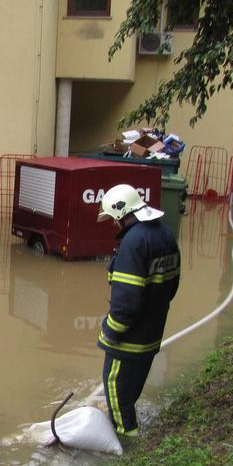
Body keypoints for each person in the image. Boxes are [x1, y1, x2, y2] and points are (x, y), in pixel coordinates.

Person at [96, 185, 180, 436]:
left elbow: (126, 302)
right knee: (130, 394)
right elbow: (172, 285)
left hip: (129, 341)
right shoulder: (164, 234)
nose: (113, 225)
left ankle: (127, 444)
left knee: (116, 393)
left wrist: (110, 333)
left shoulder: (133, 243)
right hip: (152, 333)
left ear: (122, 215)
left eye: (113, 219)